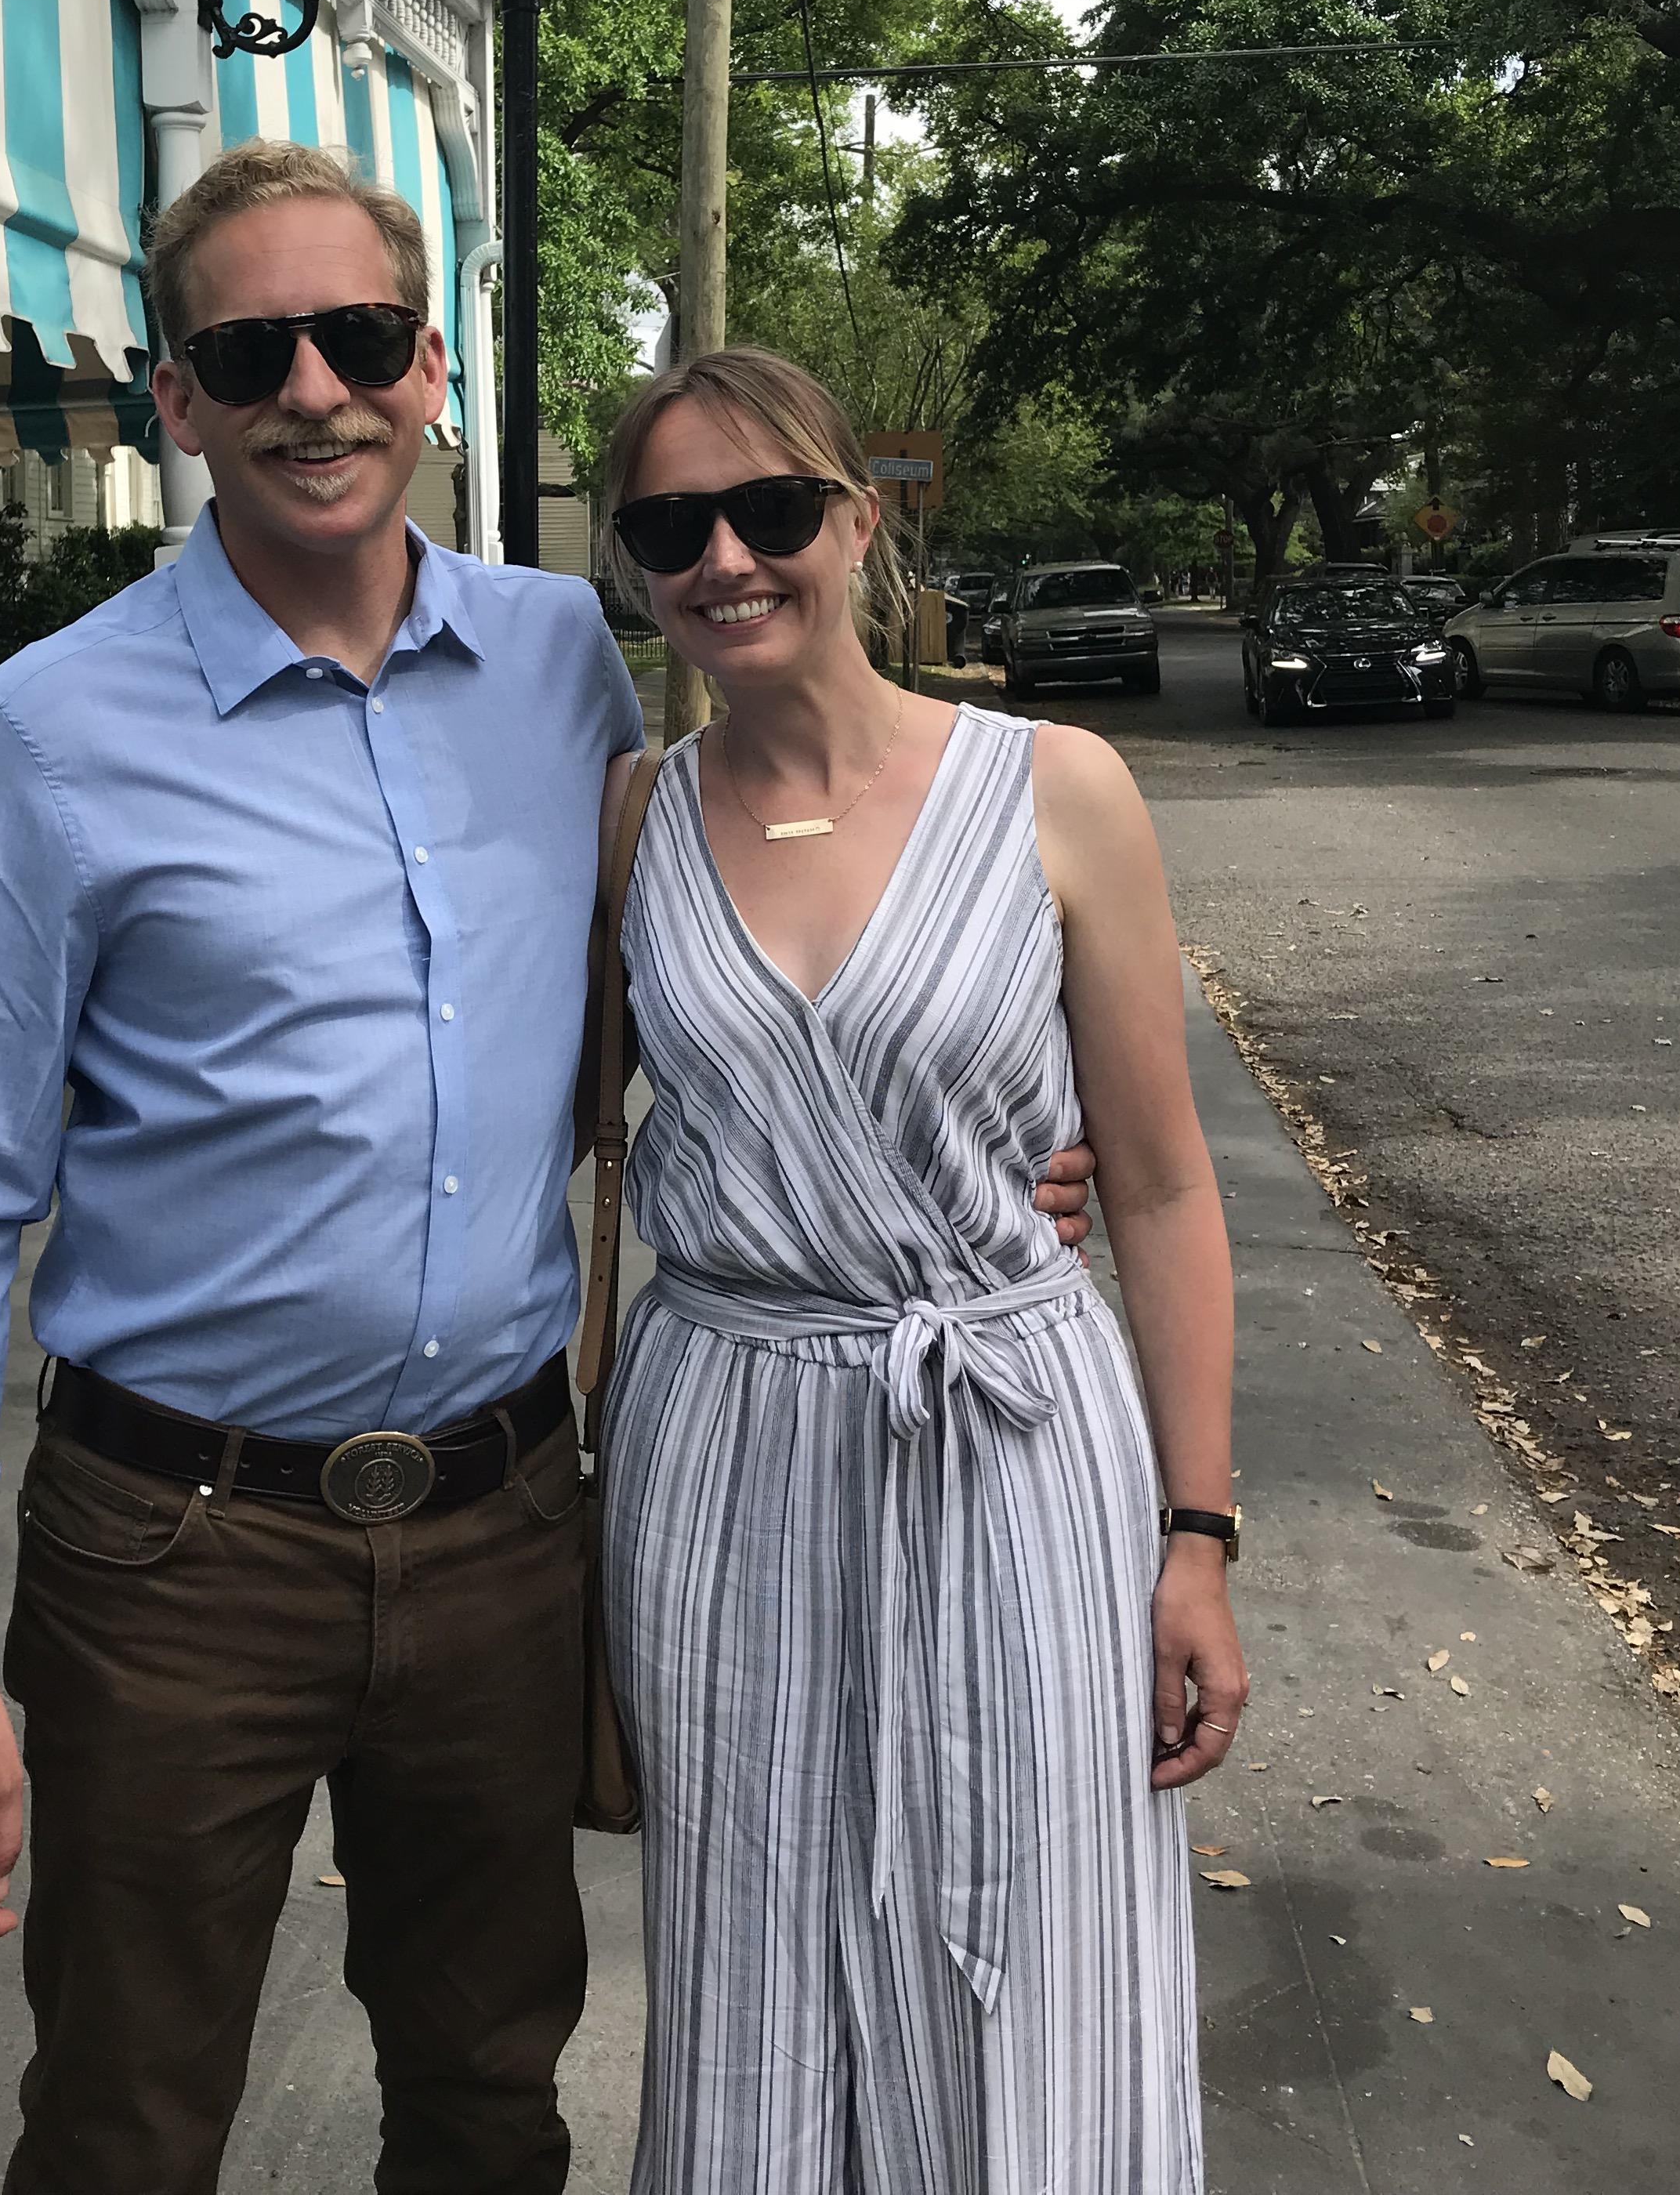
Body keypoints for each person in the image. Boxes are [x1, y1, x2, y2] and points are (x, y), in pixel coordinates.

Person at [0, 136, 1099, 2191]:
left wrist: (966, 1168)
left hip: (515, 1533)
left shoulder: (559, 669)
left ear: (433, 369)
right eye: (252, 351)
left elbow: (679, 1017)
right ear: (178, 399)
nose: (309, 390)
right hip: (177, 1560)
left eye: (355, 339)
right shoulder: (45, 738)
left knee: (494, 2101)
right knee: (127, 2122)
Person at [596, 348, 1244, 2192]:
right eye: (670, 526)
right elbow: (543, 1120)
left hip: (1013, 1439)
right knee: (750, 1971)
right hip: (723, 1454)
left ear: (858, 526)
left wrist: (1199, 1538)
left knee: (1039, 1952)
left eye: (771, 510)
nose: (725, 555)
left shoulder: (1060, 788)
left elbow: (1168, 1190)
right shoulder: (635, 818)